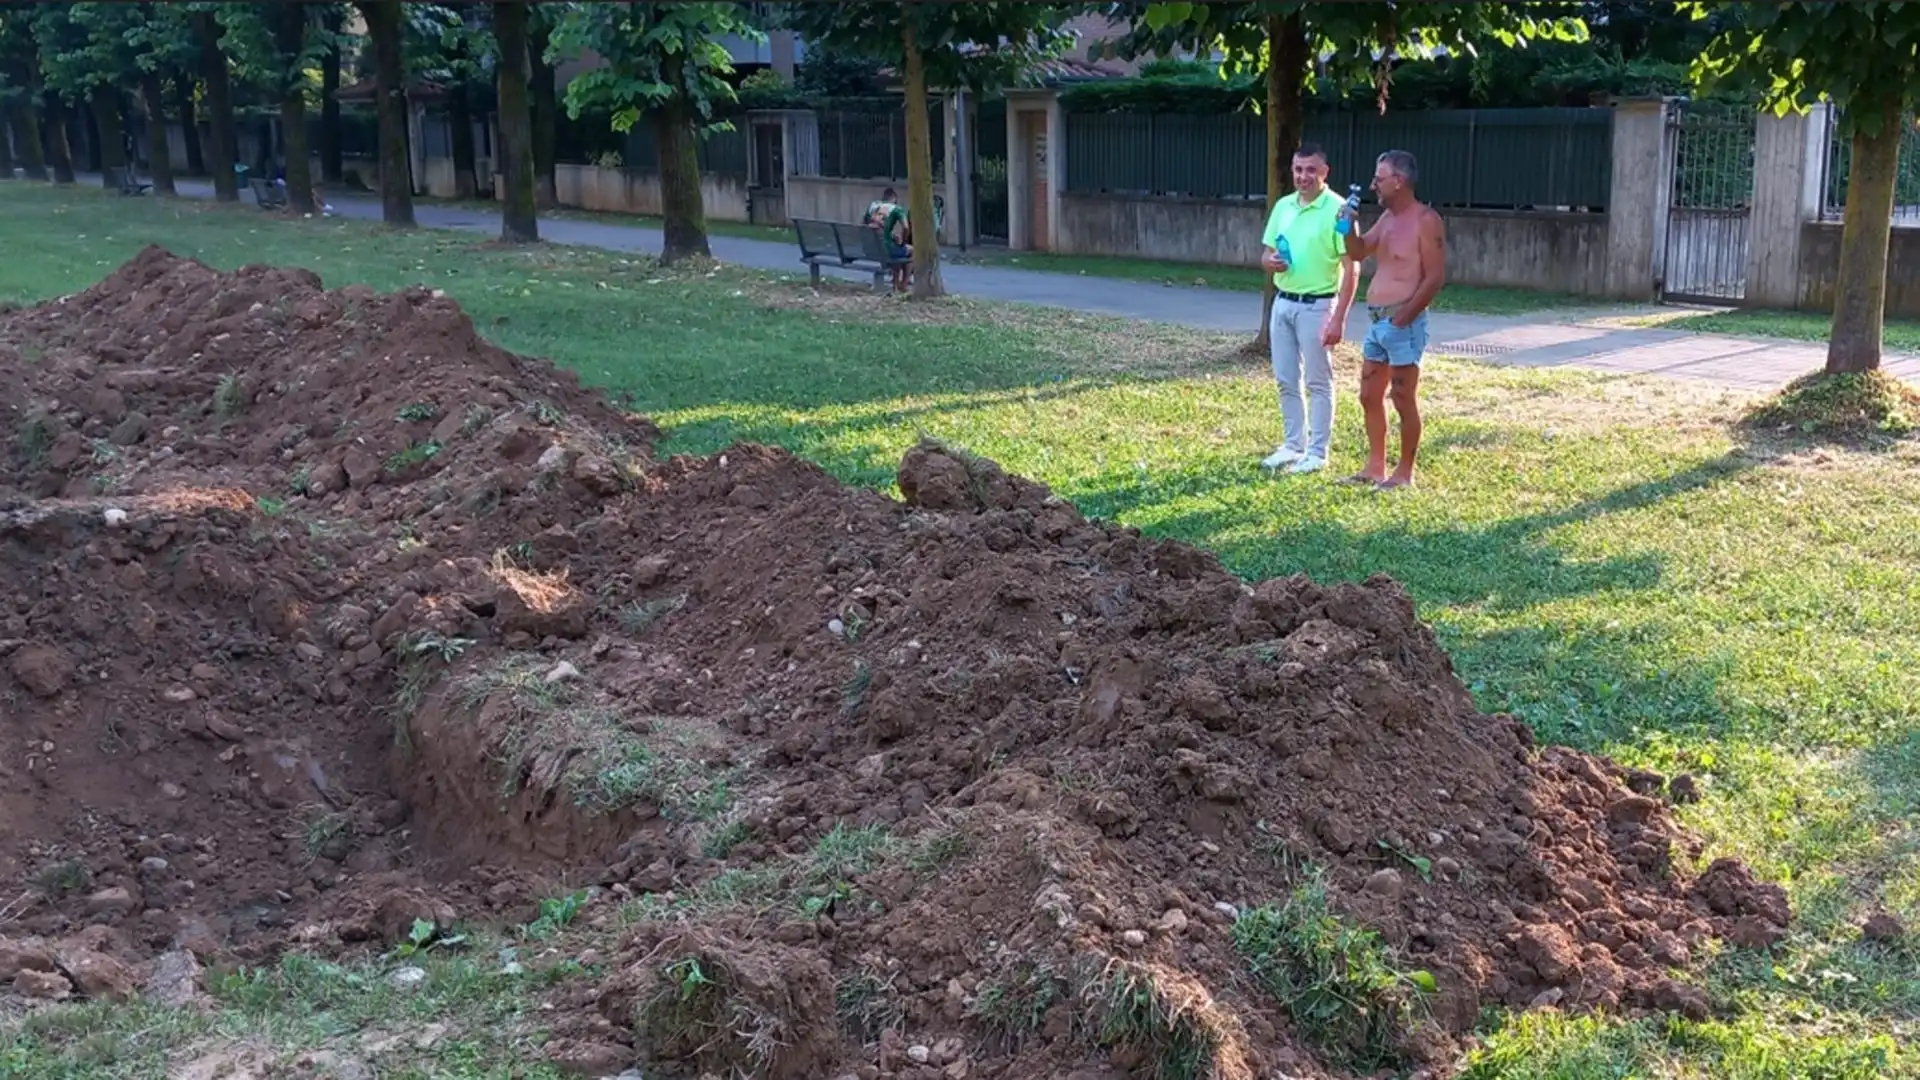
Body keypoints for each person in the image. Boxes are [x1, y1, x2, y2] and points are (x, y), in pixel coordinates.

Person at [1339, 149, 1446, 491]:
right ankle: (1374, 466)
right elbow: (1358, 251)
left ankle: (1404, 472)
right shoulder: (1386, 219)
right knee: (1369, 395)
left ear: (1398, 182)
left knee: (1403, 398)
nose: (1373, 185)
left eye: (1379, 179)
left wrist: (1403, 319)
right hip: (1376, 323)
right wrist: (1347, 225)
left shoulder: (1426, 220)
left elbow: (1434, 278)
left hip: (1403, 325)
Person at [1258, 143, 1358, 475]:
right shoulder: (1283, 206)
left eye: (1311, 170)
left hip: (1318, 305)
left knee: (1318, 381)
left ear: (1325, 172)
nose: (1303, 176)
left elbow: (1352, 267)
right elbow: (1266, 255)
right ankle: (1292, 445)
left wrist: (1339, 317)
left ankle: (1317, 452)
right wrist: (1270, 262)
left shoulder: (1340, 210)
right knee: (1286, 378)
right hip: (1283, 302)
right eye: (1298, 169)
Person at [865, 187, 911, 292]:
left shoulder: (873, 206)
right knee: (911, 251)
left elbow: (868, 226)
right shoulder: (896, 208)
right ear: (894, 198)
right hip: (886, 250)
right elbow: (906, 227)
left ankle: (895, 285)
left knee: (896, 252)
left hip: (870, 249)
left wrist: (891, 236)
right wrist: (903, 242)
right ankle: (903, 285)